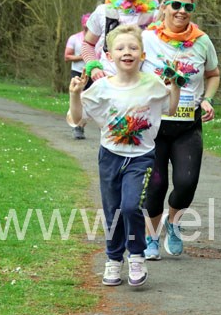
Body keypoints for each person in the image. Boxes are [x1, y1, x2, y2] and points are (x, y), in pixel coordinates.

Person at [67, 25, 180, 287]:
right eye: (120, 48)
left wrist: (174, 87)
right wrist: (75, 94)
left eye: (133, 47)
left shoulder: (152, 84)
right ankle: (113, 259)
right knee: (113, 211)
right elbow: (77, 118)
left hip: (142, 157)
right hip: (110, 156)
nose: (126, 52)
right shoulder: (101, 88)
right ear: (109, 56)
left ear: (142, 54)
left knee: (131, 207)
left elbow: (171, 108)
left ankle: (137, 256)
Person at [140, 0, 220, 259]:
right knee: (156, 185)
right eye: (175, 5)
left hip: (187, 125)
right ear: (164, 7)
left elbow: (213, 74)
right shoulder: (147, 38)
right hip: (154, 125)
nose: (181, 11)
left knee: (186, 182)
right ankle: (151, 237)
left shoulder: (202, 41)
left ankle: (172, 224)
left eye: (188, 7)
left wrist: (208, 99)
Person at [80, 0, 159, 81]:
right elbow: (87, 44)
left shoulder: (155, 15)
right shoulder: (103, 11)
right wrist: (94, 68)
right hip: (107, 81)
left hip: (141, 84)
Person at [64, 13, 92, 139]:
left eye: (90, 26)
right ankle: (77, 127)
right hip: (78, 72)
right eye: (86, 26)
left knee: (89, 101)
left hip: (93, 73)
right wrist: (83, 56)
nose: (88, 29)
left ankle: (82, 126)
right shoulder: (74, 38)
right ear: (82, 25)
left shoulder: (98, 39)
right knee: (78, 98)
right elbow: (67, 56)